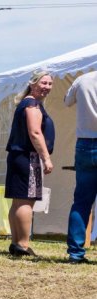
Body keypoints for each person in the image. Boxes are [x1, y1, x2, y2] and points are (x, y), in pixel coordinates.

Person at [4, 71, 56, 257]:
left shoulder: (26, 102)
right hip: (28, 157)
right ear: (33, 84)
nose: (47, 87)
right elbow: (35, 133)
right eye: (43, 83)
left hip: (18, 156)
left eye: (50, 84)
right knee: (26, 200)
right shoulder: (32, 104)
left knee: (18, 201)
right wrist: (46, 158)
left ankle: (16, 243)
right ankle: (23, 245)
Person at [63, 70, 97, 264]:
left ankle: (75, 253)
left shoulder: (82, 79)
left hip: (85, 143)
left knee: (82, 201)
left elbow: (67, 101)